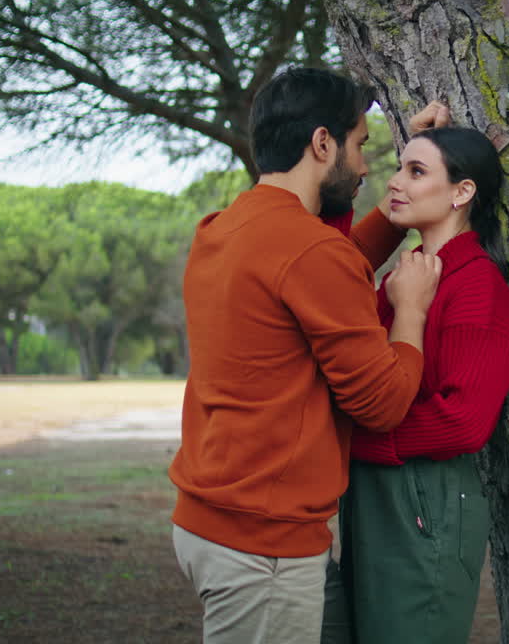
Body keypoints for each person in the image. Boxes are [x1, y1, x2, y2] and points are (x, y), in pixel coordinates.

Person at [168, 66, 449, 644]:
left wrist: (405, 188)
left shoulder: (223, 229)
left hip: (214, 522)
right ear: (322, 143)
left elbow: (324, 267)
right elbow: (382, 404)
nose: (366, 167)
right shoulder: (311, 252)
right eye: (360, 145)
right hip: (261, 546)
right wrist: (410, 312)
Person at [325, 127, 509, 644]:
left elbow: (463, 423)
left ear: (462, 192)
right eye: (399, 167)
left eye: (416, 171)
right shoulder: (407, 279)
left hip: (425, 498)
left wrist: (351, 439)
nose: (395, 182)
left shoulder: (477, 287)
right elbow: (329, 266)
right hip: (371, 491)